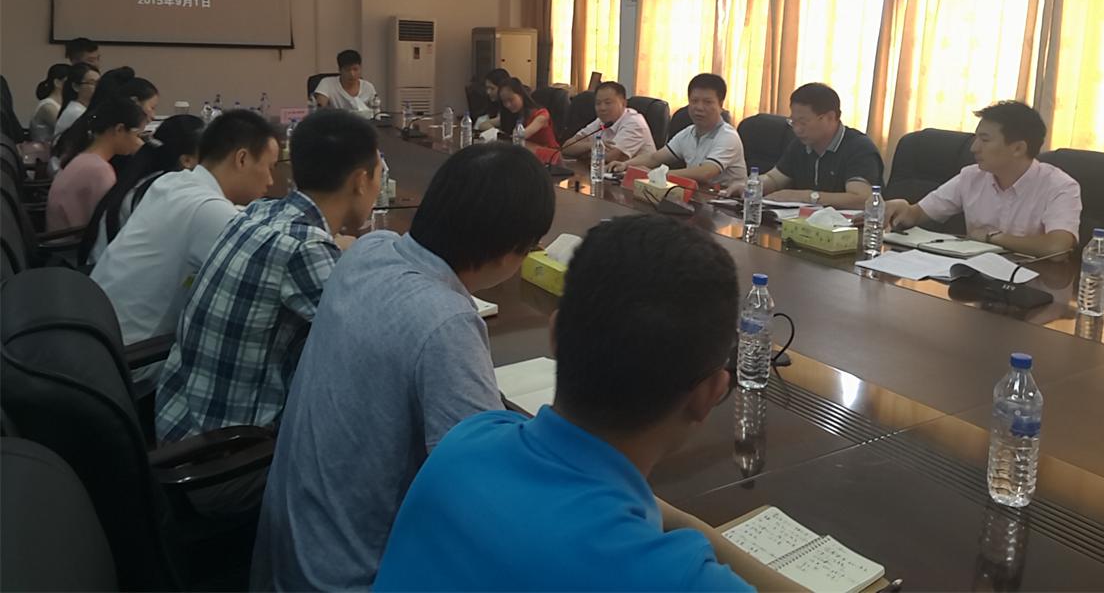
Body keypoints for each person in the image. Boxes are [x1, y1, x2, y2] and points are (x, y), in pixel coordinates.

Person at [375, 216, 769, 591]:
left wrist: (679, 523)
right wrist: (693, 531)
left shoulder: (465, 442)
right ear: (709, 395)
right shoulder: (672, 578)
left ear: (555, 336)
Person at [251, 143, 555, 591]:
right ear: (511, 248)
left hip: (288, 549)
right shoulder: (446, 320)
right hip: (351, 575)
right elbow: (483, 486)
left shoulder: (369, 249)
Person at [156, 111, 381, 445]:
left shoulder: (259, 211)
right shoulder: (305, 249)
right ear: (360, 180)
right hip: (224, 451)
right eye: (380, 173)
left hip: (177, 414)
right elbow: (373, 346)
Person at [91, 110, 278, 379]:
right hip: (135, 362)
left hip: (98, 338)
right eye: (270, 167)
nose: (271, 181)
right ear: (242, 159)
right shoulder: (207, 211)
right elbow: (274, 270)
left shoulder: (173, 181)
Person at [885, 101, 1081, 257]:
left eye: (985, 140)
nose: (974, 148)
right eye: (976, 138)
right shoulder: (971, 176)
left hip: (1030, 283)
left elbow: (1058, 247)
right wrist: (905, 209)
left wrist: (993, 238)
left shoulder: (1059, 186)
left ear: (1018, 148)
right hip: (973, 279)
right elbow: (919, 213)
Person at [728, 82, 883, 207]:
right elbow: (774, 179)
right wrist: (751, 185)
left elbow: (862, 199)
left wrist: (805, 196)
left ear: (830, 117)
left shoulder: (859, 148)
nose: (797, 129)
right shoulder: (800, 144)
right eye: (793, 122)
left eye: (803, 122)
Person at [79, 114, 205, 266]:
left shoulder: (146, 177)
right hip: (106, 269)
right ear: (186, 160)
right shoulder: (162, 190)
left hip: (100, 264)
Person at [610, 73, 746, 186]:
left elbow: (705, 172)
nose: (699, 107)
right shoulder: (688, 133)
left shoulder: (728, 136)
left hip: (729, 203)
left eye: (707, 102)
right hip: (698, 197)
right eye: (694, 101)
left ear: (720, 105)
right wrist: (625, 165)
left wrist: (658, 174)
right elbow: (654, 158)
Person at [45, 97, 146, 232]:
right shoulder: (99, 171)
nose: (139, 142)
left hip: (62, 238)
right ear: (119, 129)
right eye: (138, 135)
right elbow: (108, 223)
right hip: (71, 242)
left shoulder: (83, 157)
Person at [561, 81, 656, 162]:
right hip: (605, 173)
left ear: (623, 103)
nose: (602, 108)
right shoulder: (601, 121)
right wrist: (591, 145)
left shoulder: (635, 123)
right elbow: (567, 147)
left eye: (608, 103)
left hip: (639, 176)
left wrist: (582, 152)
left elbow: (609, 157)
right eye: (598, 103)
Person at [499, 76, 558, 148]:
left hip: (549, 151)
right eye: (504, 101)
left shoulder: (541, 115)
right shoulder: (515, 114)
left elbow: (522, 135)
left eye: (511, 99)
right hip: (527, 150)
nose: (508, 105)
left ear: (521, 95)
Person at [314, 49, 377, 114]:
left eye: (355, 69)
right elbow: (319, 111)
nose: (352, 74)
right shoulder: (327, 83)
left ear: (360, 68)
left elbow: (377, 113)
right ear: (340, 70)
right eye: (347, 70)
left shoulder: (368, 87)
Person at [53, 62, 99, 140]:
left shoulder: (83, 109)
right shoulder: (76, 112)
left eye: (99, 83)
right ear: (76, 86)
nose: (98, 87)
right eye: (92, 83)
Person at [29, 63, 72, 142]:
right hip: (45, 149)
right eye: (70, 81)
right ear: (57, 83)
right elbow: (67, 130)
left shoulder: (64, 104)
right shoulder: (48, 106)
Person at [473, 68, 511, 132]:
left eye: (492, 88)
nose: (488, 92)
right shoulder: (491, 104)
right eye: (487, 88)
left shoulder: (510, 107)